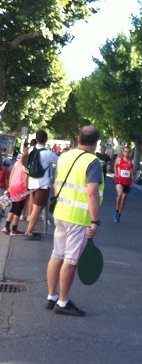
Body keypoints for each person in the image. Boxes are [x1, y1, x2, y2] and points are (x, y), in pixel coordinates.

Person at [46, 126, 103, 317]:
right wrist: (95, 221)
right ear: (96, 143)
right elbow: (92, 193)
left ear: (78, 138)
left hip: (60, 213)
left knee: (57, 255)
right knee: (70, 260)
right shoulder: (93, 162)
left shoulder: (64, 156)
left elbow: (56, 184)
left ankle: (52, 296)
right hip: (78, 218)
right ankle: (63, 302)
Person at [24, 130, 59, 240]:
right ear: (46, 139)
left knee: (33, 205)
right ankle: (29, 232)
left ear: (36, 138)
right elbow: (60, 162)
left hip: (32, 182)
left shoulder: (31, 150)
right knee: (37, 208)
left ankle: (30, 228)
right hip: (42, 185)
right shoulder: (47, 154)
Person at [1, 149, 29, 236]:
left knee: (13, 207)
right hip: (21, 189)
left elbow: (12, 174)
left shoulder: (18, 162)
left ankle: (6, 226)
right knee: (18, 209)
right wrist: (27, 191)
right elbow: (26, 179)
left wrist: (9, 186)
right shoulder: (28, 165)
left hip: (13, 187)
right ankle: (14, 229)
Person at [113, 146, 135, 222]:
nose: (127, 153)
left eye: (128, 152)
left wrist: (131, 167)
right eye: (125, 151)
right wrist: (115, 174)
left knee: (123, 200)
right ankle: (116, 210)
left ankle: (119, 213)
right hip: (119, 180)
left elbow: (133, 173)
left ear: (130, 153)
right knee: (119, 194)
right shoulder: (119, 160)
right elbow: (115, 166)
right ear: (123, 152)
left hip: (128, 183)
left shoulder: (132, 162)